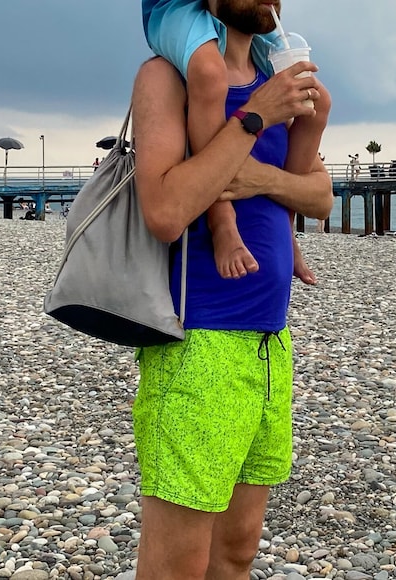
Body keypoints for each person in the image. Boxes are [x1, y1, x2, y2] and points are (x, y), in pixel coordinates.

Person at [131, 1, 332, 578]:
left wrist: (261, 177)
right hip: (199, 343)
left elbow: (320, 198)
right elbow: (166, 212)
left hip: (270, 344)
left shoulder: (277, 83)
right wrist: (252, 121)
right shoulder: (166, 76)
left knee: (237, 551)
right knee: (179, 565)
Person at [142, 0, 320, 285]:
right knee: (210, 72)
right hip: (175, 7)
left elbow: (323, 200)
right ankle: (221, 221)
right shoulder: (162, 77)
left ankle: (288, 235)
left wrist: (266, 180)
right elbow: (165, 218)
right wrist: (256, 116)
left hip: (270, 324)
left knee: (315, 96)